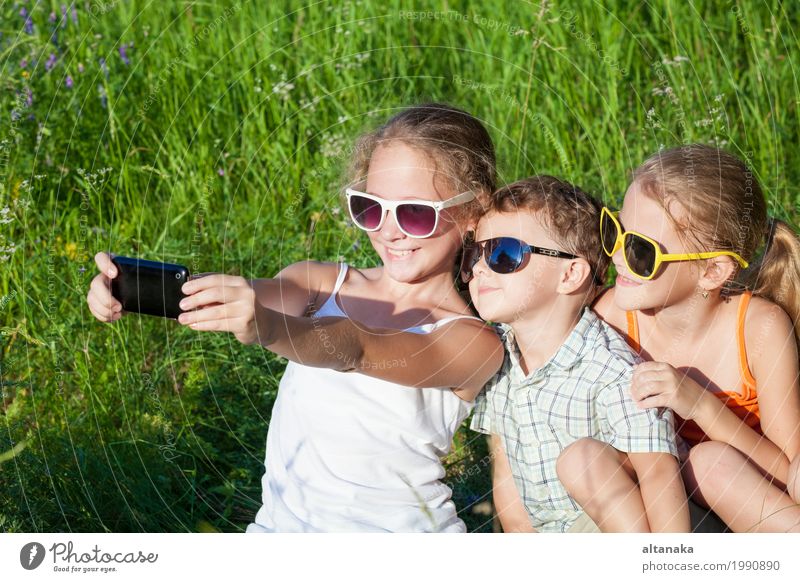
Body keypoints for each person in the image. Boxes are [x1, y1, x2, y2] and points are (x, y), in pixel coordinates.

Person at [87, 103, 505, 532]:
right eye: (371, 208)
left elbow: (358, 348)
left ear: (473, 212)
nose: (389, 230)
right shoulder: (320, 283)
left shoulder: (472, 341)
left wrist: (266, 326)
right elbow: (234, 294)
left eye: (415, 213)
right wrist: (126, 288)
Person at [558, 144, 800, 532]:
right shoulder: (614, 318)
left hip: (753, 510)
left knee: (709, 464)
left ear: (711, 272)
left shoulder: (759, 329)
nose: (618, 255)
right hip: (667, 514)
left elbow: (789, 472)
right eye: (615, 230)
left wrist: (702, 407)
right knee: (585, 457)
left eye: (641, 250)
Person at [466, 176, 688, 533]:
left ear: (570, 274)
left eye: (502, 254)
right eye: (476, 254)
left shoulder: (611, 369)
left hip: (637, 530)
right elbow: (506, 474)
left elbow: (659, 474)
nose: (479, 268)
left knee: (583, 460)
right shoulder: (498, 360)